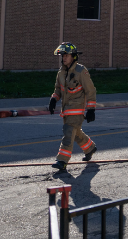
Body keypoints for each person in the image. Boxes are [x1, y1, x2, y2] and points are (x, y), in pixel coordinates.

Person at [49, 42, 97, 171]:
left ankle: (62, 161)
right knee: (75, 134)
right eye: (62, 55)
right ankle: (90, 148)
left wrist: (91, 109)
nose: (64, 58)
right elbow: (58, 89)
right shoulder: (61, 72)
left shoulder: (81, 71)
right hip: (66, 110)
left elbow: (90, 91)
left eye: (66, 55)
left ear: (74, 56)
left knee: (68, 133)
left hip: (77, 110)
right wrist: (53, 99)